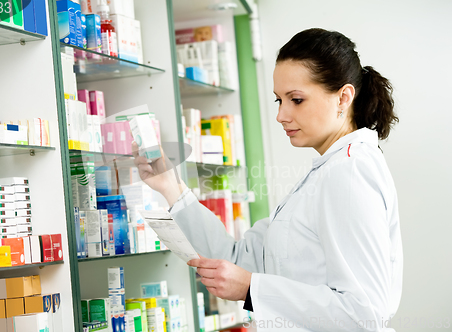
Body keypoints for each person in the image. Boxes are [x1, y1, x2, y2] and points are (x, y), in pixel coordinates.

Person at [132, 28, 403, 331]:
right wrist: (172, 187)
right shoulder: (323, 173)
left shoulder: (351, 172)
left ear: (343, 97)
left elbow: (363, 313)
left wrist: (252, 288)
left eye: (296, 100)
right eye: (279, 101)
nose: (281, 115)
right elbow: (236, 259)